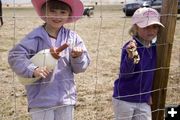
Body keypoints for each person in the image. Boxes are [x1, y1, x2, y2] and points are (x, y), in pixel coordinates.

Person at [8, 0, 90, 120]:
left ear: (68, 15)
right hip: (41, 100)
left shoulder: (73, 38)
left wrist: (78, 57)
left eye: (62, 12)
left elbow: (80, 68)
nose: (57, 16)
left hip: (66, 98)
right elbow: (15, 55)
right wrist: (33, 69)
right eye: (52, 11)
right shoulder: (35, 37)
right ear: (44, 12)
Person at [112, 7, 164, 120]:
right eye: (146, 26)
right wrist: (130, 57)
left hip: (143, 99)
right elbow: (126, 74)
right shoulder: (131, 47)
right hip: (125, 98)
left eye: (154, 27)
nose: (151, 30)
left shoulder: (156, 48)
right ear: (136, 27)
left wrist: (148, 94)